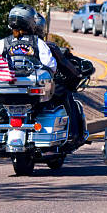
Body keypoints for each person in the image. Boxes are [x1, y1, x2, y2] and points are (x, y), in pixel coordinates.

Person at [33, 12, 86, 146]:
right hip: (40, 88)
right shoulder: (46, 46)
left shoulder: (8, 44)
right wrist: (76, 75)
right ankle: (73, 134)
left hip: (15, 89)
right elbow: (62, 66)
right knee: (64, 93)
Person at [0, 4, 56, 73]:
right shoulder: (38, 42)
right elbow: (51, 66)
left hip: (7, 82)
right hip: (31, 82)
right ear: (30, 21)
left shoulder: (2, 43)